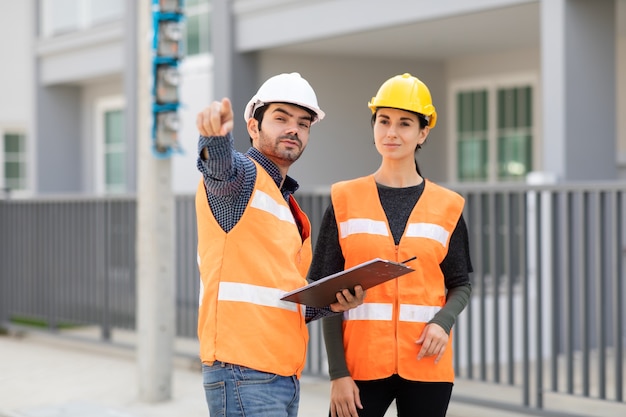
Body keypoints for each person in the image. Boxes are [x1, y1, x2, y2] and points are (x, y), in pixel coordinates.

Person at [194, 72, 366, 417]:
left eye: (303, 124)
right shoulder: (241, 180)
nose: (294, 129)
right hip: (242, 369)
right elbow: (220, 169)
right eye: (281, 118)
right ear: (253, 126)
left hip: (281, 375)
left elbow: (284, 300)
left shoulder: (287, 206)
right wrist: (213, 139)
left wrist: (332, 303)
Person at [307, 73, 473, 417]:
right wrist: (338, 374)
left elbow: (460, 283)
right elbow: (325, 294)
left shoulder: (448, 205)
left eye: (405, 123)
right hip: (360, 367)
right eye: (383, 121)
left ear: (423, 132)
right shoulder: (344, 199)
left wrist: (443, 322)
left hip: (427, 365)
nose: (391, 132)